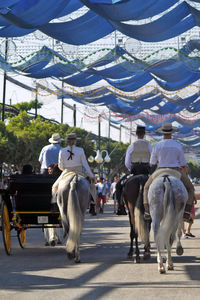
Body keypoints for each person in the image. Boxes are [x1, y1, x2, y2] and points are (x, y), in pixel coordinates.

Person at [143, 122, 195, 223]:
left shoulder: (157, 145)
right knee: (190, 189)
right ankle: (186, 213)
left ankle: (147, 211)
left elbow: (152, 162)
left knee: (146, 187)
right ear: (172, 133)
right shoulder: (177, 145)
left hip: (160, 170)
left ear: (163, 133)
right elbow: (183, 163)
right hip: (176, 171)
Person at [51, 132, 96, 214]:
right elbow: (85, 164)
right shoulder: (80, 150)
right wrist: (91, 176)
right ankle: (93, 205)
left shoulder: (62, 151)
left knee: (54, 187)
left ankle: (54, 204)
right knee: (92, 186)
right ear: (75, 141)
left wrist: (66, 168)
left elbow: (60, 166)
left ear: (67, 141)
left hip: (66, 172)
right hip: (79, 172)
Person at [116, 125, 152, 215]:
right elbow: (152, 161)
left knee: (118, 185)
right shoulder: (149, 146)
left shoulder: (131, 146)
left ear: (136, 134)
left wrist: (130, 169)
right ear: (144, 134)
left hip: (134, 170)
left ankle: (121, 207)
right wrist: (149, 165)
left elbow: (127, 162)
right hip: (146, 171)